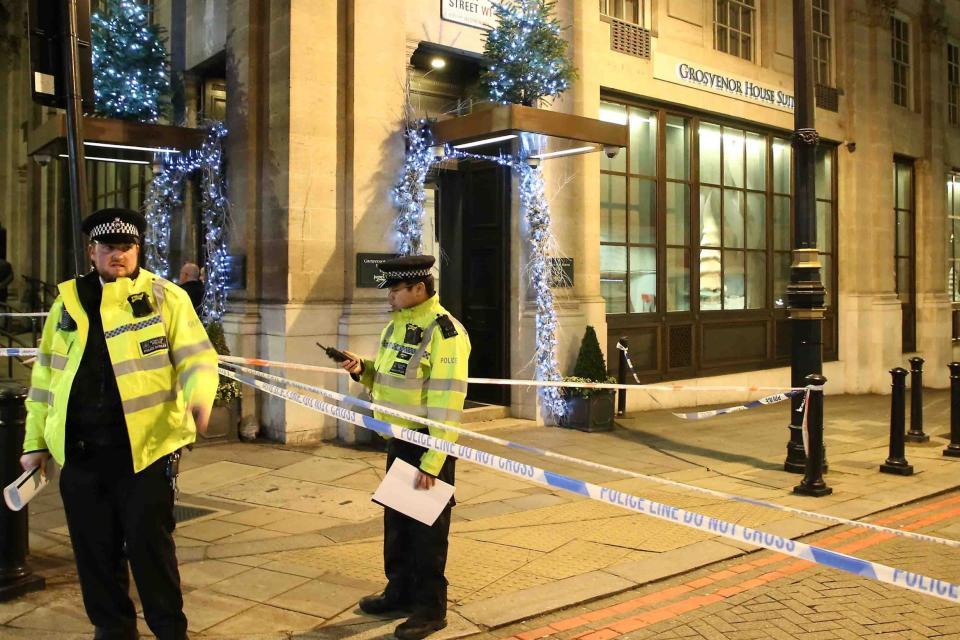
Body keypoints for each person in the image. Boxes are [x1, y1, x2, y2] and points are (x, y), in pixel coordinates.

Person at [20, 208, 219, 640]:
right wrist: (34, 441)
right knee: (94, 552)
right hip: (82, 453)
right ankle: (112, 629)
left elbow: (198, 356)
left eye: (127, 248)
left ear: (138, 250)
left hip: (145, 451)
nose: (119, 256)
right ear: (93, 251)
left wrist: (200, 396)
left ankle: (170, 631)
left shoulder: (166, 296)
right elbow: (45, 378)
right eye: (109, 247)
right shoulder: (68, 302)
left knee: (152, 552)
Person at [340, 255, 471, 640]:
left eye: (396, 290)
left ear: (418, 288)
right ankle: (398, 592)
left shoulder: (445, 333)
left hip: (426, 446)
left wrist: (434, 461)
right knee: (397, 524)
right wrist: (362, 369)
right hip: (399, 440)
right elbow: (389, 376)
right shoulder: (395, 326)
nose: (391, 296)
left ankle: (430, 609)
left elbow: (447, 402)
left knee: (427, 531)